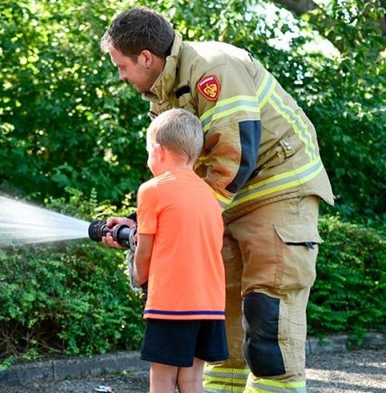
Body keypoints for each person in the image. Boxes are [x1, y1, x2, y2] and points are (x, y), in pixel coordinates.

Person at [99, 7, 334, 393]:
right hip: (224, 200)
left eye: (122, 66)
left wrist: (170, 224)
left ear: (145, 57)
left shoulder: (214, 68)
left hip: (276, 189)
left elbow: (235, 152)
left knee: (266, 307)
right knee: (218, 309)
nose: (121, 75)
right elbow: (177, 173)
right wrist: (140, 222)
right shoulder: (166, 91)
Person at [134, 108, 228, 393]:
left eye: (149, 152)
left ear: (159, 151)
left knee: (161, 379)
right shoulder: (210, 196)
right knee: (191, 380)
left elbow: (145, 250)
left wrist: (139, 277)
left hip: (171, 305)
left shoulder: (152, 190)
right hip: (209, 306)